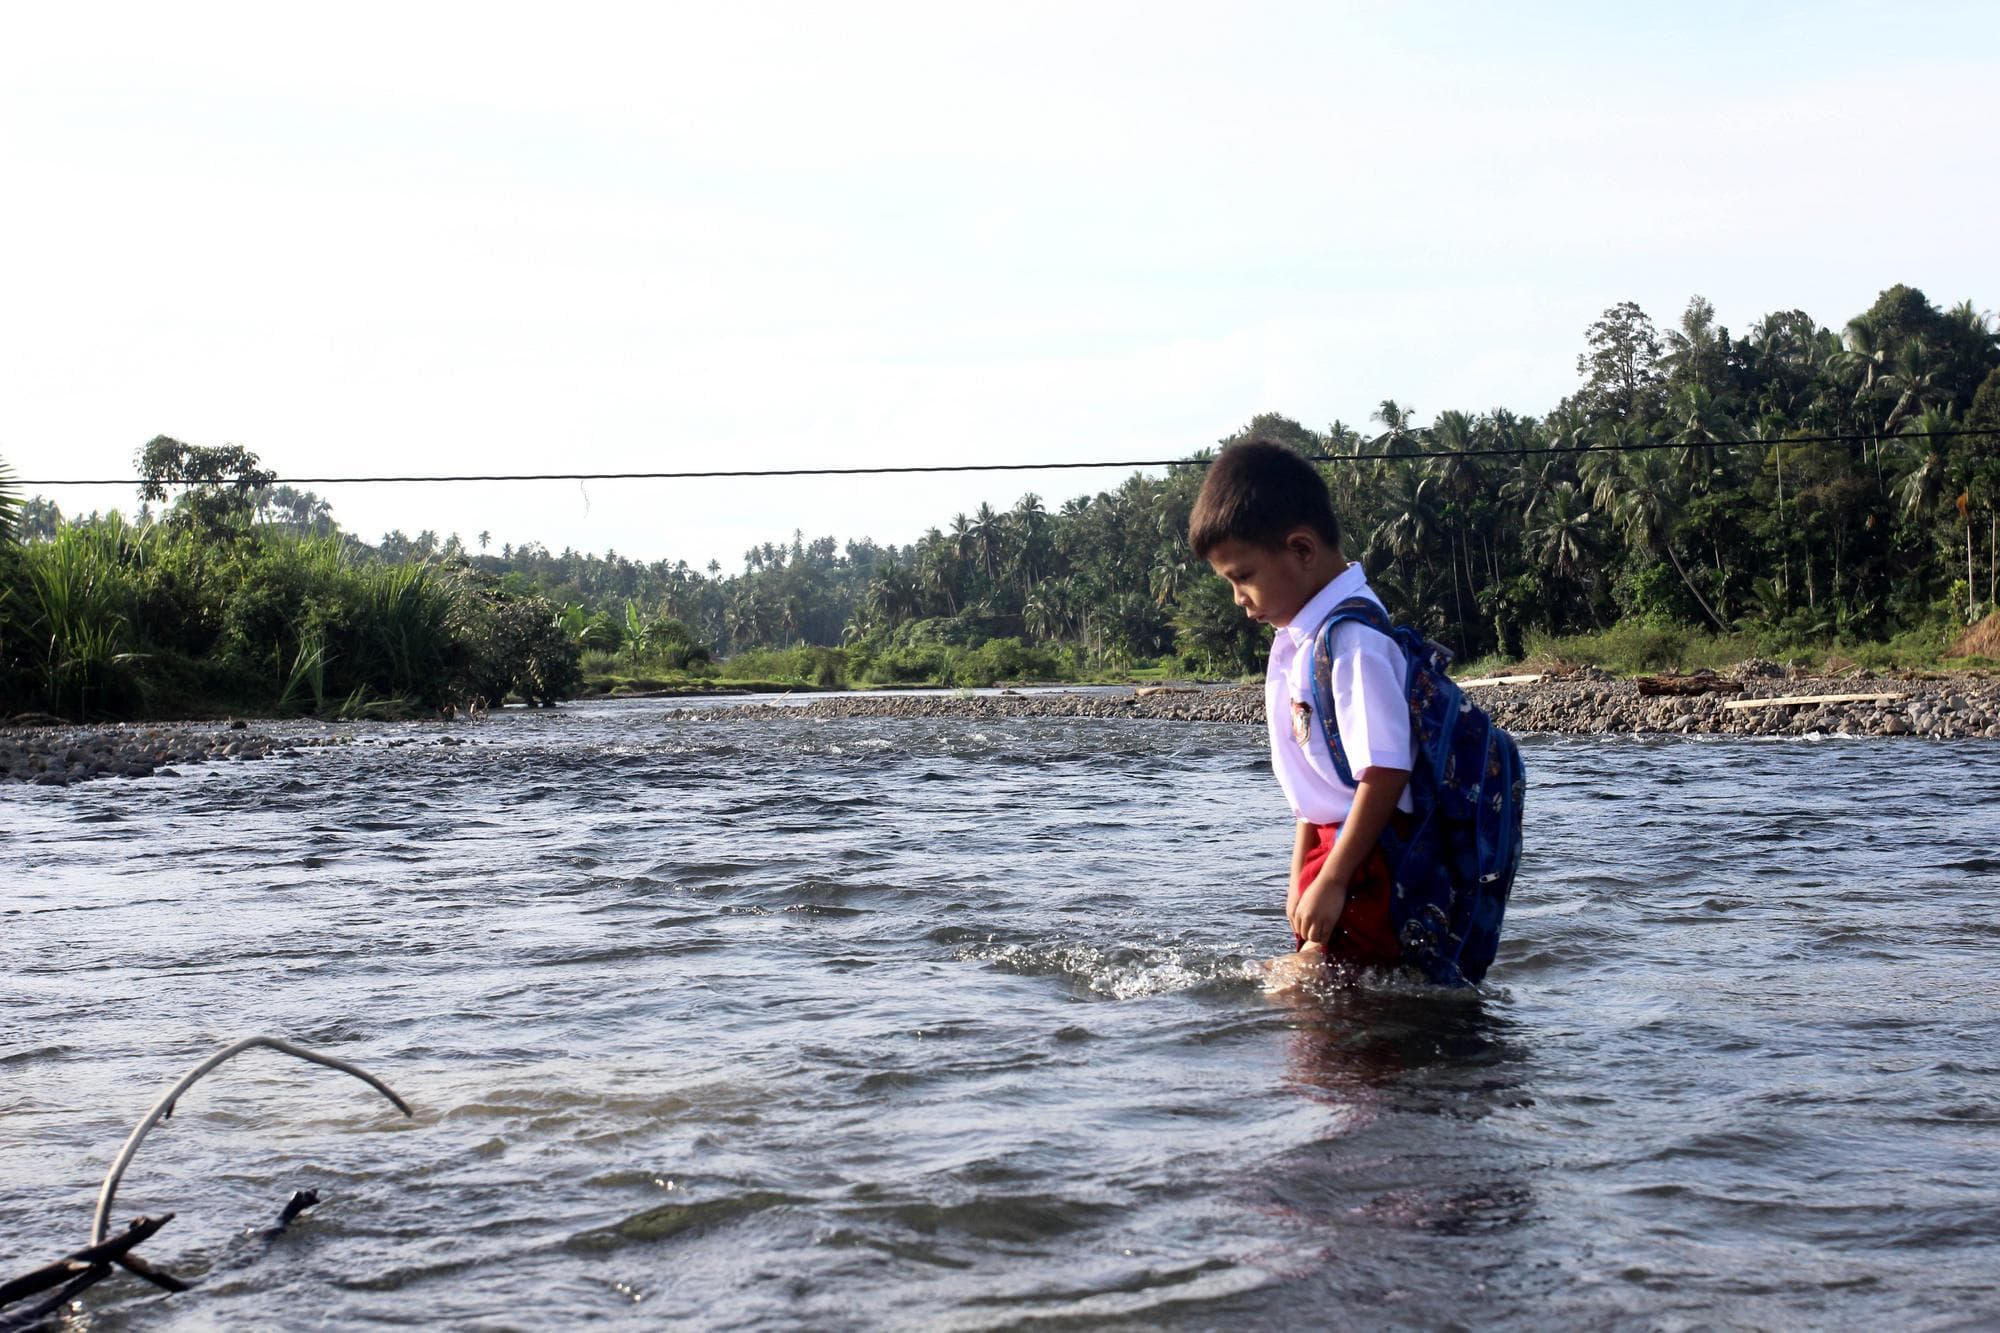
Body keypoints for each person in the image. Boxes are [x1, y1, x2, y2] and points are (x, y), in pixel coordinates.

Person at [1188, 439, 1417, 970]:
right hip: (1338, 850)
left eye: (1243, 576)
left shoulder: (1353, 641)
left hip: (1368, 857)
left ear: (1302, 550)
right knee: (1325, 998)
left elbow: (1385, 771)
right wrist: (1301, 876)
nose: (1238, 597)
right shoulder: (1303, 637)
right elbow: (1314, 785)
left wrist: (1333, 878)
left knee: (1321, 995)